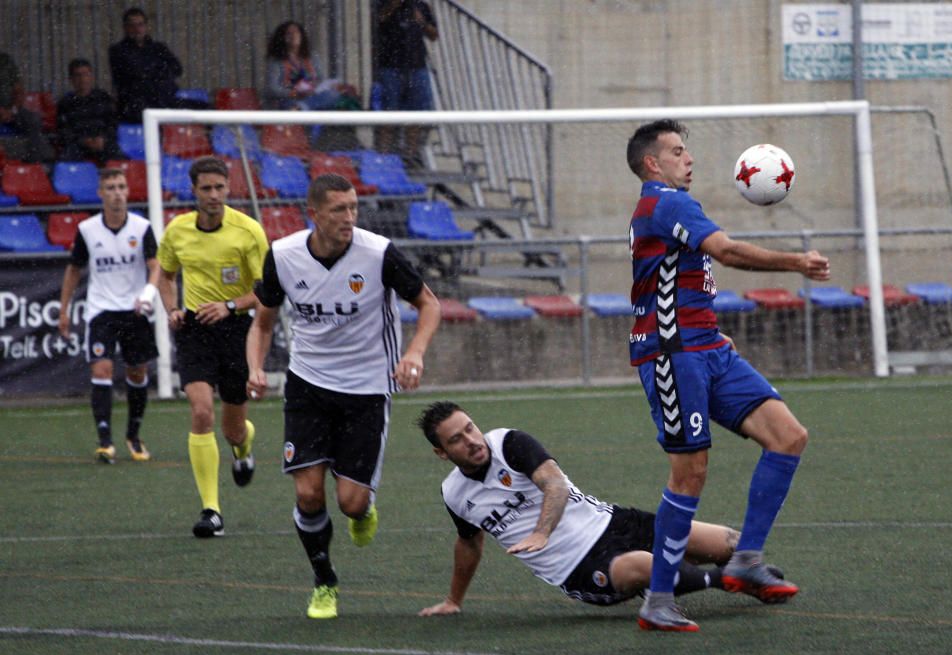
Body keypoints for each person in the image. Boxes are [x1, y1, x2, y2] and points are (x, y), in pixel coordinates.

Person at [624, 119, 831, 632]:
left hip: (708, 346)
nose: (687, 159)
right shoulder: (665, 202)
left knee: (788, 436)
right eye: (677, 151)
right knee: (689, 472)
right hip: (672, 354)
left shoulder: (672, 206)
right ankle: (659, 598)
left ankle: (745, 558)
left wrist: (710, 333)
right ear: (653, 163)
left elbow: (687, 276)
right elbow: (727, 251)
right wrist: (796, 262)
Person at [246, 174, 441, 619]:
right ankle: (324, 581)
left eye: (353, 207)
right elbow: (261, 322)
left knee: (350, 503)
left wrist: (414, 352)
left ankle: (363, 508)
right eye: (338, 210)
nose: (349, 217)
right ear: (313, 213)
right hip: (307, 385)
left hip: (367, 388)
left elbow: (429, 304)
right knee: (310, 494)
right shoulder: (284, 255)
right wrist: (256, 368)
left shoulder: (378, 253)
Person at [416, 401, 789, 618]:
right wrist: (454, 600)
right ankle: (728, 581)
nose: (471, 440)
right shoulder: (455, 494)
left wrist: (541, 531)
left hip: (613, 522)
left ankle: (734, 569)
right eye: (456, 439)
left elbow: (555, 484)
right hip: (578, 568)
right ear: (441, 453)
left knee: (731, 542)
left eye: (469, 428)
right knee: (645, 564)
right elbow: (468, 543)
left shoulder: (508, 442)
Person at [156, 156, 269, 539]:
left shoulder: (248, 232)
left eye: (220, 188)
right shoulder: (177, 231)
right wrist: (172, 309)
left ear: (228, 188)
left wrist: (230, 305)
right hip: (194, 330)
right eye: (206, 188)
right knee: (201, 412)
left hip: (236, 329)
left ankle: (243, 445)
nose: (214, 195)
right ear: (194, 191)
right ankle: (211, 510)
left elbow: (266, 289)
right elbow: (165, 275)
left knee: (233, 429)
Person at [57, 167, 159, 463]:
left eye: (121, 187)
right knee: (101, 370)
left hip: (135, 311)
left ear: (128, 191)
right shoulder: (88, 230)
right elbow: (74, 269)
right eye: (111, 187)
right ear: (101, 193)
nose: (117, 193)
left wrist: (148, 294)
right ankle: (105, 441)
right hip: (101, 310)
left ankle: (133, 435)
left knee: (137, 371)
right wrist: (64, 309)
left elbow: (155, 266)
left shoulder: (141, 228)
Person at [373, 0, 438, 163]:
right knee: (389, 114)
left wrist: (421, 21)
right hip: (391, 66)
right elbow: (378, 20)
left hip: (416, 66)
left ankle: (410, 155)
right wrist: (394, 5)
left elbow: (434, 35)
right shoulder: (383, 3)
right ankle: (383, 156)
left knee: (415, 114)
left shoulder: (421, 6)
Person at [108, 7, 184, 124]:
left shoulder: (159, 47)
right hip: (135, 104)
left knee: (203, 108)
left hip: (163, 99)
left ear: (146, 27)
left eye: (140, 24)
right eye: (132, 25)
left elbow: (177, 69)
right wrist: (159, 70)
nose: (137, 29)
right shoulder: (118, 51)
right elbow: (131, 77)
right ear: (125, 28)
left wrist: (151, 73)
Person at [264, 21, 359, 112]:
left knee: (333, 95)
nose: (293, 36)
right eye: (289, 33)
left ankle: (299, 109)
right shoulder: (275, 60)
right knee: (314, 105)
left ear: (302, 36)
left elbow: (321, 79)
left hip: (313, 96)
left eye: (296, 32)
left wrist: (320, 88)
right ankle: (301, 108)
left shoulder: (312, 56)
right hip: (289, 99)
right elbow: (272, 88)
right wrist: (294, 93)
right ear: (282, 38)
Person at [57, 58, 124, 164]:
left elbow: (113, 123)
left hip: (103, 143)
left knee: (122, 162)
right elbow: (63, 131)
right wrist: (83, 141)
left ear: (91, 76)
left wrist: (103, 138)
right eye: (78, 75)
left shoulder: (103, 98)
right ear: (71, 79)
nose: (82, 79)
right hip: (77, 146)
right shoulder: (65, 103)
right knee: (65, 163)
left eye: (86, 74)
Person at [0, 51, 54, 163]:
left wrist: (12, 110)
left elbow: (19, 90)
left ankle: (35, 164)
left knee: (33, 119)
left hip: (11, 110)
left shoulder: (5, 60)